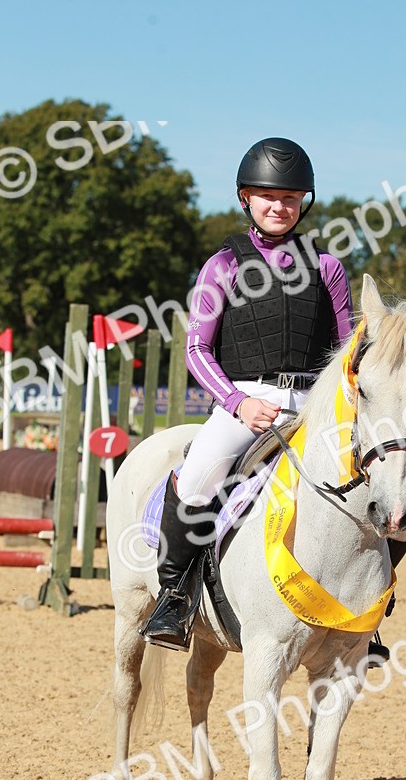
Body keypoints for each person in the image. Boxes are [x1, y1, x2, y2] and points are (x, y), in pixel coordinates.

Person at [139, 137, 354, 651]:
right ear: (245, 200)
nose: (279, 206)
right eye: (267, 197)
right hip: (246, 401)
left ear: (304, 202)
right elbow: (196, 350)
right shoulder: (222, 266)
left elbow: (347, 351)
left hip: (314, 403)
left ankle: (370, 608)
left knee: (380, 485)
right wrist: (239, 404)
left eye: (290, 198)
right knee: (195, 479)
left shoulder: (328, 268)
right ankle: (173, 597)